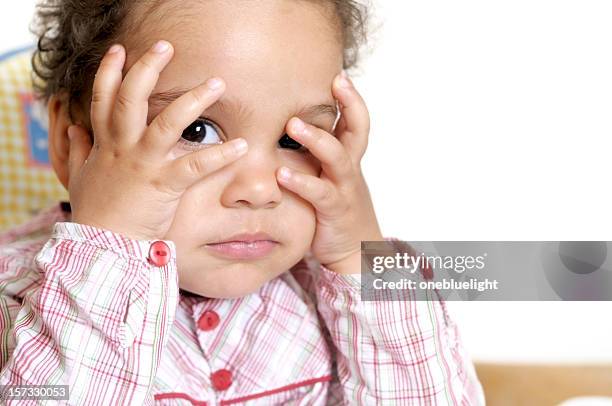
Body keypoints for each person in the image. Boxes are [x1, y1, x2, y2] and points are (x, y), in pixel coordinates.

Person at [0, 0, 485, 404]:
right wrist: (111, 250)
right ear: (70, 142)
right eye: (196, 130)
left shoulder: (331, 294)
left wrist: (359, 258)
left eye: (297, 139)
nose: (260, 188)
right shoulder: (17, 293)